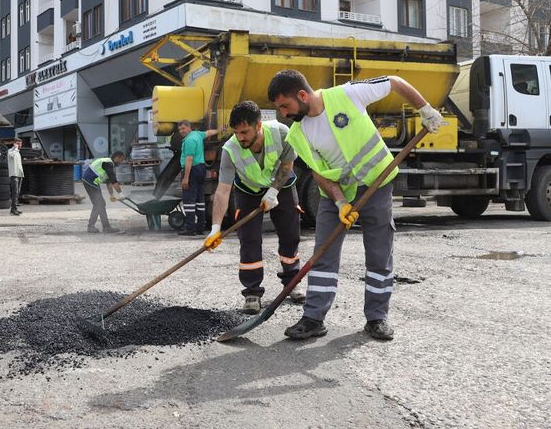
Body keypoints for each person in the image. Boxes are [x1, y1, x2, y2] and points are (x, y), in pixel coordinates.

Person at [267, 71, 444, 341]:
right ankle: (313, 318)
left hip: (377, 185)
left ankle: (377, 318)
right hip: (335, 198)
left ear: (302, 95)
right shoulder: (298, 134)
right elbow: (319, 174)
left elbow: (394, 82)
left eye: (284, 106)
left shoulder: (347, 95)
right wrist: (340, 202)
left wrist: (425, 109)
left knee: (379, 253)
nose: (283, 113)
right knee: (322, 255)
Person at [203, 101, 305, 314]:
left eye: (245, 132)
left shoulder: (281, 132)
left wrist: (274, 191)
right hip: (248, 191)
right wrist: (215, 228)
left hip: (282, 185)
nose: (240, 138)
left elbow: (287, 165)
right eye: (236, 133)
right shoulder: (230, 150)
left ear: (258, 125)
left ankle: (291, 282)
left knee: (290, 234)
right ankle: (252, 292)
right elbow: (222, 191)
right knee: (249, 239)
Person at [177, 120, 223, 236]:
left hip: (192, 170)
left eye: (183, 128)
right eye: (179, 129)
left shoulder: (189, 140)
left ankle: (190, 229)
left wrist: (186, 178)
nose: (181, 131)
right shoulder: (197, 134)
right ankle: (200, 227)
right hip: (201, 169)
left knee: (189, 201)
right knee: (199, 199)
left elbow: (189, 159)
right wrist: (218, 130)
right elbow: (208, 132)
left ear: (189, 127)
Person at [81, 151, 125, 233]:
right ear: (118, 157)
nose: (121, 162)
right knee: (99, 203)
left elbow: (108, 182)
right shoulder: (108, 163)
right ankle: (92, 227)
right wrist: (120, 194)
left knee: (101, 203)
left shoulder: (109, 164)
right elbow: (114, 181)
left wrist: (111, 195)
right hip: (90, 180)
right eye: (121, 160)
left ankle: (106, 227)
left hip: (92, 181)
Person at [8, 137, 24, 216]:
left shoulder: (18, 152)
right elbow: (11, 156)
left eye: (20, 143)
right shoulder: (11, 151)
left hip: (19, 174)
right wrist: (15, 148)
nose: (20, 145)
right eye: (18, 143)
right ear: (14, 143)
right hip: (14, 174)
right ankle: (13, 210)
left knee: (17, 193)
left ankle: (14, 209)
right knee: (15, 192)